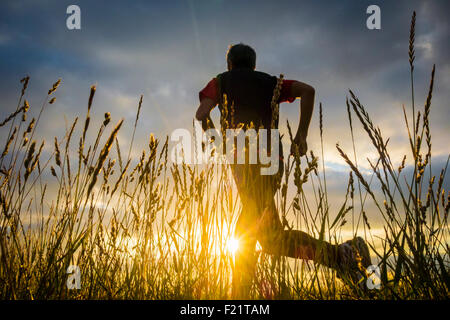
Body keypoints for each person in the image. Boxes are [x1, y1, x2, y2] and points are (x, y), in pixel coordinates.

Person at [195, 43, 371, 297]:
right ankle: (343, 256)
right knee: (268, 238)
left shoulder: (220, 82)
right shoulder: (271, 83)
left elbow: (202, 114)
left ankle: (342, 255)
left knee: (252, 233)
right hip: (271, 161)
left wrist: (218, 141)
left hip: (244, 164)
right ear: (254, 65)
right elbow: (308, 91)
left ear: (229, 64)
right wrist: (301, 135)